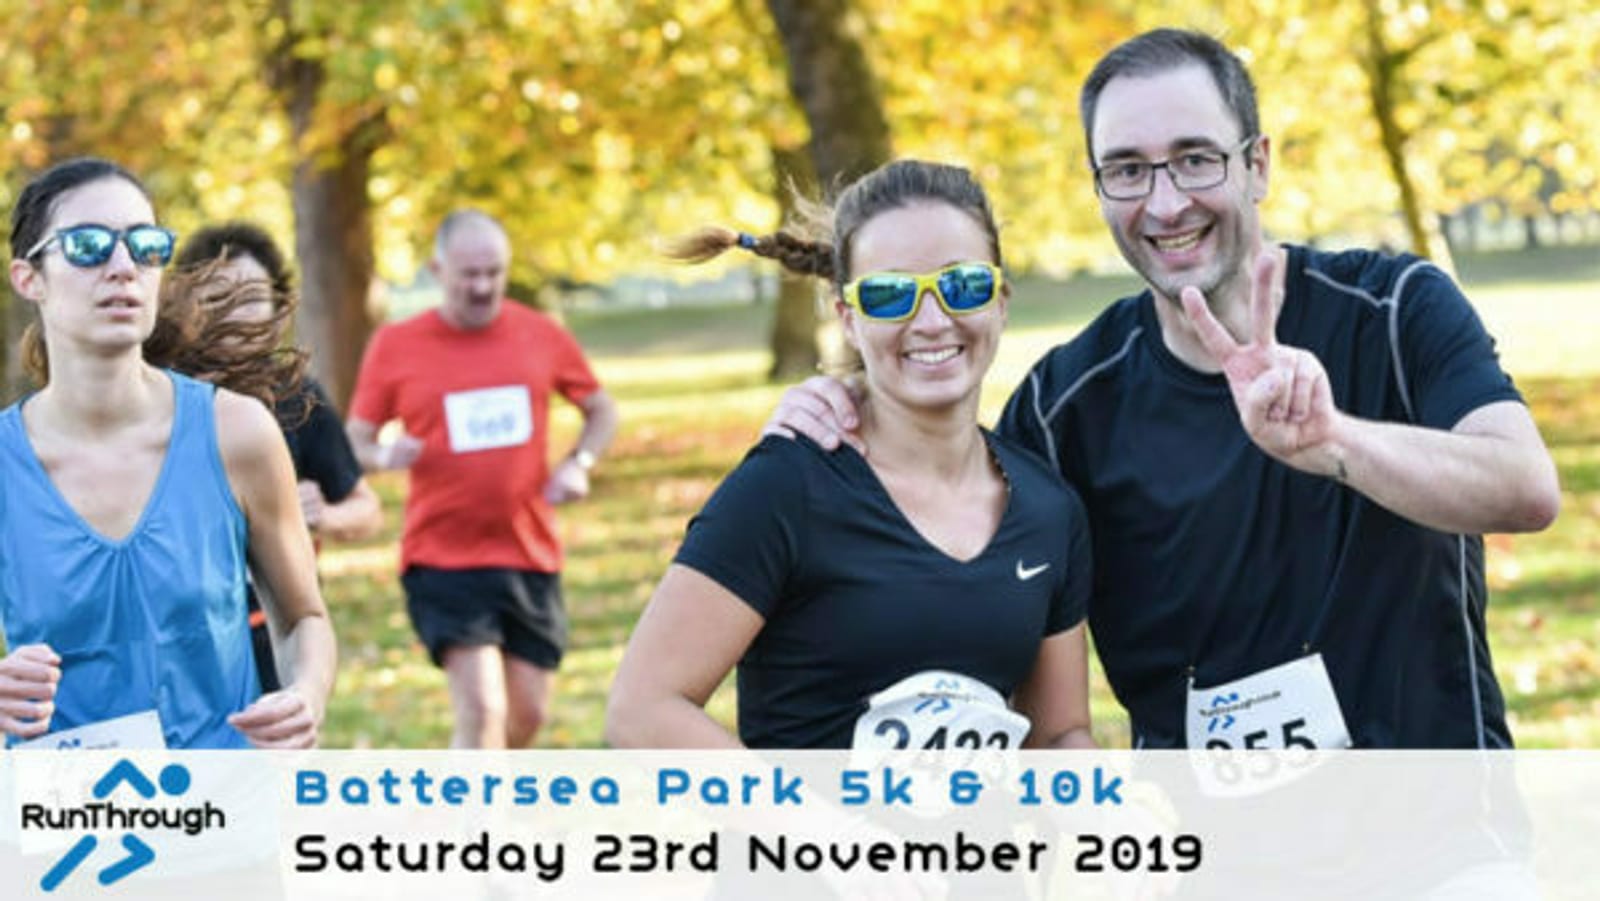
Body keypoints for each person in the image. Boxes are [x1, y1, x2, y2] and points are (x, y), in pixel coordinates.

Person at [764, 29, 1560, 749]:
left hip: (1441, 844)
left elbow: (1525, 488)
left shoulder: (1394, 309)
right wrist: (837, 428)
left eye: (1195, 158)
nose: (1166, 201)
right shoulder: (1060, 403)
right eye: (1129, 170)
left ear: (1258, 164)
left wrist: (1334, 442)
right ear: (1100, 187)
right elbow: (956, 577)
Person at [606, 159, 1095, 750]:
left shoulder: (1048, 509)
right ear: (848, 318)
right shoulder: (785, 489)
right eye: (890, 295)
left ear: (1001, 300)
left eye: (963, 284)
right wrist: (834, 839)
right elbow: (643, 710)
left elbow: (1059, 737)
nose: (933, 319)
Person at [0, 157, 336, 748]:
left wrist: (304, 695)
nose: (123, 266)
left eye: (146, 244)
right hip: (59, 825)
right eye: (88, 246)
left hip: (221, 809)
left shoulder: (238, 434)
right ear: (29, 279)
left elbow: (304, 618)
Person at [346, 209, 619, 749]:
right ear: (436, 269)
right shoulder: (397, 345)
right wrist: (384, 455)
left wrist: (578, 464)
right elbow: (355, 439)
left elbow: (602, 409)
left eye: (493, 273)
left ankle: (478, 805)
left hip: (527, 553)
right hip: (443, 557)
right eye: (468, 274)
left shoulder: (539, 334)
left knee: (529, 715)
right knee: (483, 708)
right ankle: (474, 832)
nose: (482, 287)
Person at [176, 222, 383, 692]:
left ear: (276, 306)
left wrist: (325, 515)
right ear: (185, 307)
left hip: (279, 629)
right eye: (216, 298)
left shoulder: (298, 398)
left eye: (251, 299)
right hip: (183, 636)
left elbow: (367, 510)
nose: (236, 314)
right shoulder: (161, 397)